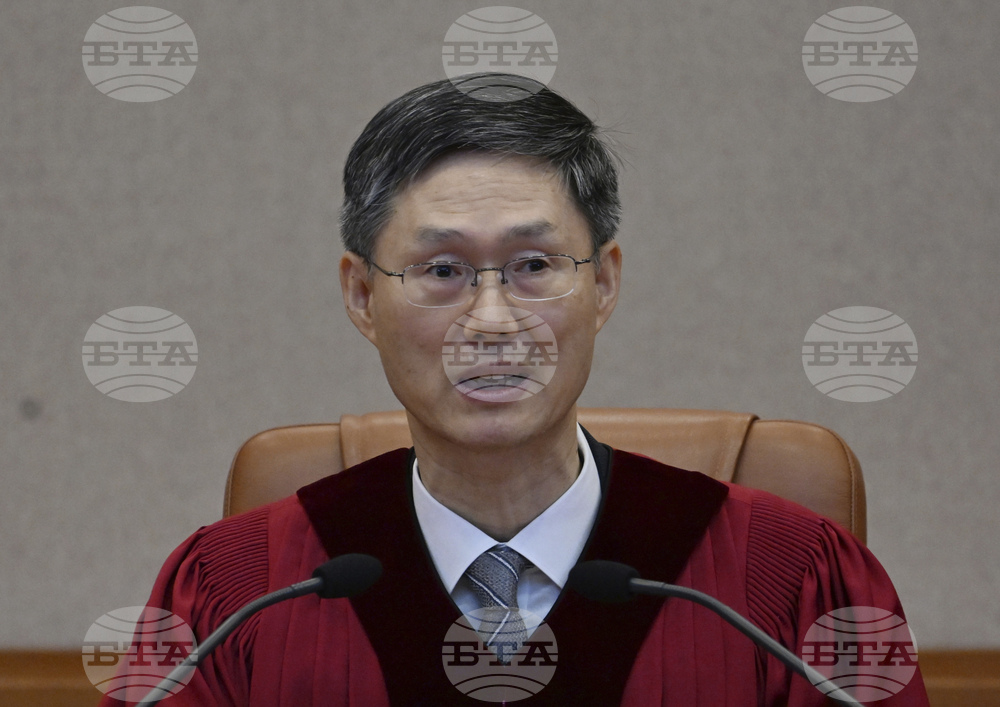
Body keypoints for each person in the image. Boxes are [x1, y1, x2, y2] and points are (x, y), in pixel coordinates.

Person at [100, 75, 930, 706]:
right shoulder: (238, 590)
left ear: (605, 283)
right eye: (442, 270)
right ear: (360, 295)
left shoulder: (786, 580)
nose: (492, 320)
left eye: (534, 265)